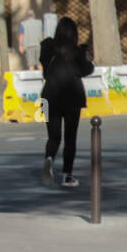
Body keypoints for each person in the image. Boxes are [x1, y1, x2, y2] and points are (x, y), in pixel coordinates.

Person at [39, 17, 93, 188]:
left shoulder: (48, 47)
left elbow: (44, 68)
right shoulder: (76, 52)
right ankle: (67, 176)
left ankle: (49, 159)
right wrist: (87, 57)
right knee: (70, 138)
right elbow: (86, 70)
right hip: (72, 96)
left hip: (49, 96)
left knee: (53, 137)